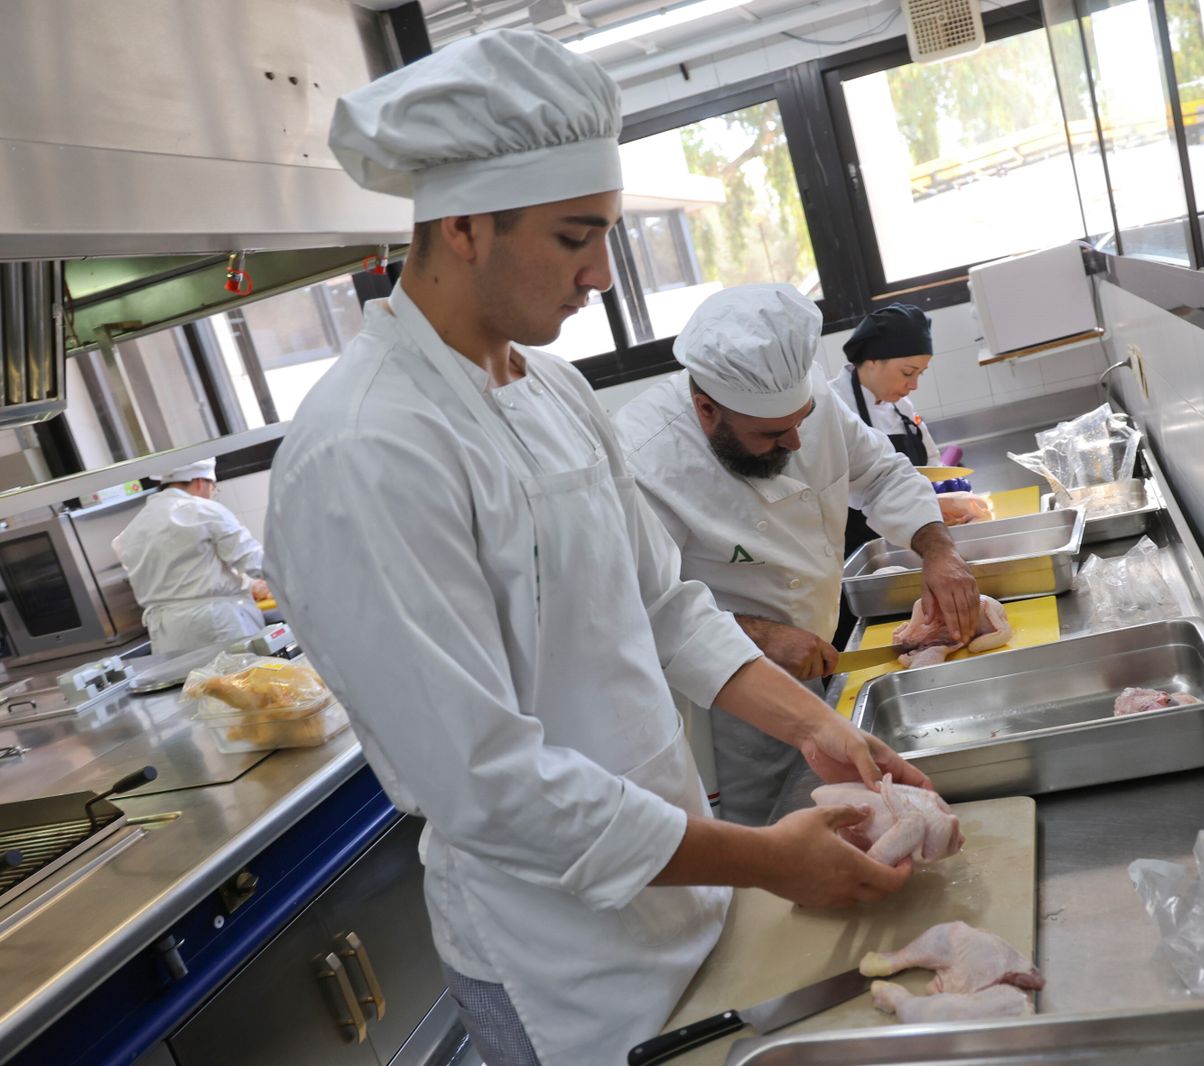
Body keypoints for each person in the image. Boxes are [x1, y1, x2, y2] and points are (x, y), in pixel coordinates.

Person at [264, 31, 928, 1066]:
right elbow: (486, 782)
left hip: (682, 885)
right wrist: (762, 857)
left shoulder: (551, 390)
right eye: (577, 237)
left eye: (606, 233)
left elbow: (664, 606)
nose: (600, 273)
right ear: (467, 225)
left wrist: (813, 728)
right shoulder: (365, 452)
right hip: (559, 960)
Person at [615, 284, 980, 826]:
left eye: (800, 421)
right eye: (770, 434)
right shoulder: (644, 461)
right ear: (707, 409)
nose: (796, 444)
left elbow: (880, 474)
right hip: (727, 695)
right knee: (769, 820)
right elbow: (643, 605)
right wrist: (764, 637)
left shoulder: (809, 402)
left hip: (815, 658)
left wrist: (938, 550)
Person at [829, 303, 972, 556]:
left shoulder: (901, 408)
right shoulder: (833, 406)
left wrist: (942, 494)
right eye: (908, 372)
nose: (914, 384)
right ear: (872, 360)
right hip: (858, 553)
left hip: (908, 542)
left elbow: (931, 463)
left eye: (920, 374)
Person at [112, 458, 268, 654]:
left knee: (194, 684)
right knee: (239, 681)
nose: (213, 494)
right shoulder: (205, 510)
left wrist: (249, 585)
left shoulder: (132, 529)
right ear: (201, 482)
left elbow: (181, 576)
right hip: (216, 624)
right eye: (214, 488)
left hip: (168, 632)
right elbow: (255, 561)